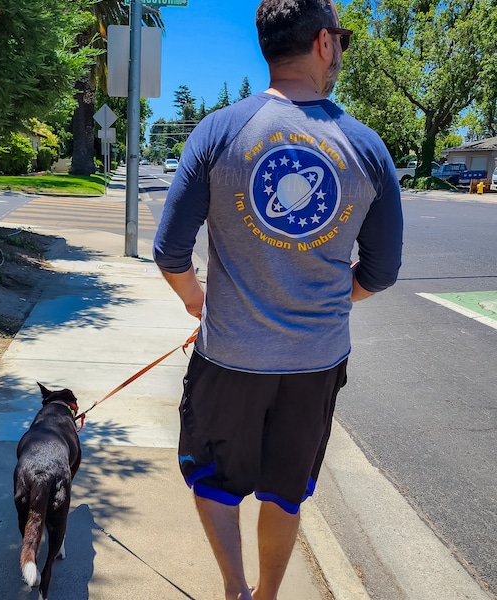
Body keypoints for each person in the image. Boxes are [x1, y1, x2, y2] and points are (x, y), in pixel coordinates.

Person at [153, 0, 403, 598]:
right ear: (323, 44)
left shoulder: (220, 131)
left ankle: (235, 589)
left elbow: (170, 251)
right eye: (339, 38)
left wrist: (199, 302)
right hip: (314, 363)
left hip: (229, 357)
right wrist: (327, 300)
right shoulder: (365, 147)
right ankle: (267, 595)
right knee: (285, 488)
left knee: (214, 479)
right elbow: (382, 271)